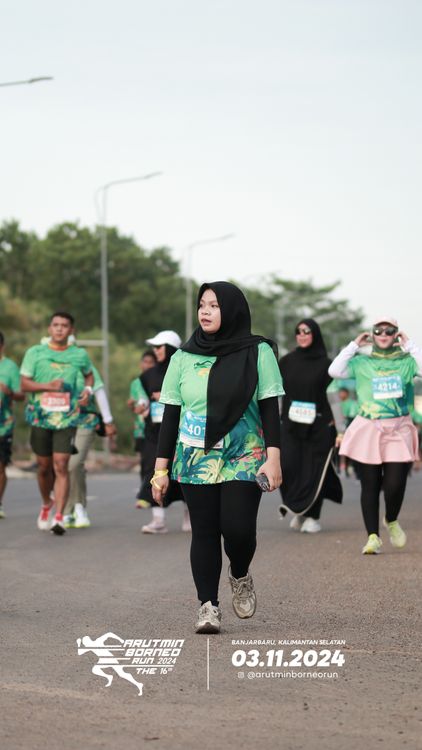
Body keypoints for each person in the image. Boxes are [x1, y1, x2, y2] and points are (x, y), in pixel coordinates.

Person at [151, 282, 284, 634]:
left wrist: (274, 458)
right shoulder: (182, 357)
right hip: (195, 456)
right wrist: (160, 470)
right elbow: (170, 416)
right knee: (205, 531)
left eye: (214, 305)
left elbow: (270, 409)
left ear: (232, 310)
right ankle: (207, 606)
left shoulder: (258, 352)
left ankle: (239, 573)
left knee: (238, 529)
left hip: (245, 453)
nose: (205, 311)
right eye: (201, 305)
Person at [328, 316, 421, 554]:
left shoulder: (407, 361)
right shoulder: (361, 362)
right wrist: (354, 345)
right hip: (369, 428)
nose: (383, 334)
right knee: (369, 484)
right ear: (372, 333)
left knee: (395, 484)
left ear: (396, 334)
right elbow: (334, 370)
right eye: (378, 330)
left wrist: (409, 345)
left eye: (389, 330)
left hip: (398, 428)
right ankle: (373, 537)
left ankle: (391, 519)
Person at [20, 312, 94, 535]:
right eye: (56, 325)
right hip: (40, 417)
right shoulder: (35, 353)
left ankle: (59, 517)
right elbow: (24, 384)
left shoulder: (79, 354)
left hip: (66, 418)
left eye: (64, 325)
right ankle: (47, 503)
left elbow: (89, 375)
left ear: (71, 330)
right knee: (44, 467)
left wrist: (87, 390)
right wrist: (48, 386)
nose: (60, 328)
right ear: (49, 328)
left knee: (61, 465)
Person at [278, 319, 342, 533]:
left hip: (319, 427)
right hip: (290, 427)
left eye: (307, 331)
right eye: (299, 331)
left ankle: (313, 516)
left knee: (314, 472)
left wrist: (340, 427)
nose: (302, 335)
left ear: (315, 334)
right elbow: (277, 393)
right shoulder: (286, 362)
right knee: (288, 468)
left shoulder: (327, 365)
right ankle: (298, 510)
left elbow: (334, 397)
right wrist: (273, 420)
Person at [135, 330, 188, 534]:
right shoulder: (148, 375)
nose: (155, 351)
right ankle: (158, 520)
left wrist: (166, 396)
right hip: (154, 432)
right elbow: (144, 397)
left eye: (159, 347)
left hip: (182, 432)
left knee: (183, 473)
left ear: (171, 348)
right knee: (153, 471)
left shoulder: (184, 370)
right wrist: (142, 406)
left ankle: (190, 517)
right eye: (154, 347)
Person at [64, 362, 116, 528]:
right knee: (63, 464)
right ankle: (66, 510)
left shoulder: (85, 366)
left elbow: (99, 391)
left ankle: (79, 507)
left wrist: (108, 421)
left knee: (74, 462)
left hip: (85, 420)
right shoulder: (51, 365)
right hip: (59, 422)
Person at [0, 332, 25, 518]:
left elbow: (21, 395)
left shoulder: (10, 367)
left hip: (3, 426)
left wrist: (9, 392)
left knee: (0, 467)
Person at [127, 349, 156, 507]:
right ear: (141, 364)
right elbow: (134, 404)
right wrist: (132, 405)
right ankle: (145, 493)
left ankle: (149, 494)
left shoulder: (158, 379)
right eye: (145, 362)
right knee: (145, 462)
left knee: (153, 462)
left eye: (151, 362)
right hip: (140, 428)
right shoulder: (136, 383)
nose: (148, 365)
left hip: (156, 428)